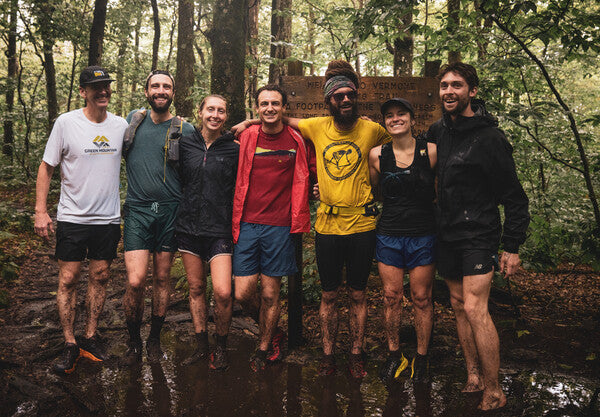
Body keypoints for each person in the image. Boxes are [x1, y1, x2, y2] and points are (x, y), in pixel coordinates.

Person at [234, 61, 391, 378]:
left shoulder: (373, 130)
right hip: (328, 227)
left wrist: (378, 183)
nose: (345, 100)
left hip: (362, 225)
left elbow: (400, 147)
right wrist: (248, 121)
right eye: (338, 96)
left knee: (358, 294)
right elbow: (279, 117)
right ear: (329, 100)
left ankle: (356, 355)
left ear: (356, 96)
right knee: (329, 295)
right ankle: (329, 356)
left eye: (349, 95)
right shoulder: (317, 126)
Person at [426, 62, 529, 410]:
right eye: (444, 86)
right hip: (448, 232)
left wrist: (511, 247)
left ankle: (495, 388)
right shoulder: (437, 130)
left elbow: (514, 197)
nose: (449, 91)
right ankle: (473, 375)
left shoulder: (490, 138)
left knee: (474, 307)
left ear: (472, 91)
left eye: (456, 85)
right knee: (457, 305)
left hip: (479, 233)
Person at [34, 66, 128, 374]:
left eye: (106, 86)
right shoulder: (66, 123)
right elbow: (46, 167)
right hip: (73, 217)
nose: (103, 91)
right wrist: (41, 210)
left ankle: (89, 336)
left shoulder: (121, 125)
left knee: (100, 276)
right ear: (83, 91)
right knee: (68, 279)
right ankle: (69, 342)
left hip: (107, 218)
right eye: (95, 87)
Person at [232, 84, 315, 372]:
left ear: (283, 107)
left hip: (280, 227)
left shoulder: (297, 139)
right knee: (242, 293)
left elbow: (315, 167)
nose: (270, 108)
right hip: (246, 224)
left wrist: (316, 186)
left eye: (275, 104)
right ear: (257, 108)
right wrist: (247, 122)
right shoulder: (246, 136)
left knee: (270, 294)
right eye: (264, 104)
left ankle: (266, 344)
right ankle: (271, 329)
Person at [121, 70, 195, 364]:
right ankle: (132, 341)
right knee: (137, 280)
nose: (160, 90)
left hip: (170, 211)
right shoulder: (131, 122)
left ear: (173, 93)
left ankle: (153, 340)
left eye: (166, 86)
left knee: (162, 278)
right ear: (146, 90)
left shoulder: (185, 129)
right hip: (138, 210)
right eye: (155, 86)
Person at [369, 98, 437, 384]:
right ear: (384, 121)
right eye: (389, 115)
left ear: (411, 118)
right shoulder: (376, 154)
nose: (395, 119)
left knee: (421, 297)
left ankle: (422, 358)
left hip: (423, 233)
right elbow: (376, 191)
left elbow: (439, 191)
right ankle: (394, 354)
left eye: (401, 114)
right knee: (391, 296)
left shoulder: (430, 151)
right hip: (389, 233)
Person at [175, 95, 239, 370]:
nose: (215, 115)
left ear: (226, 116)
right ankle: (202, 345)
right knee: (197, 287)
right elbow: (176, 180)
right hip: (188, 227)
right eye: (210, 109)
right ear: (199, 113)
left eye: (221, 111)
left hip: (220, 228)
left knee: (223, 292)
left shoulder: (235, 149)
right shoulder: (184, 143)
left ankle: (221, 346)